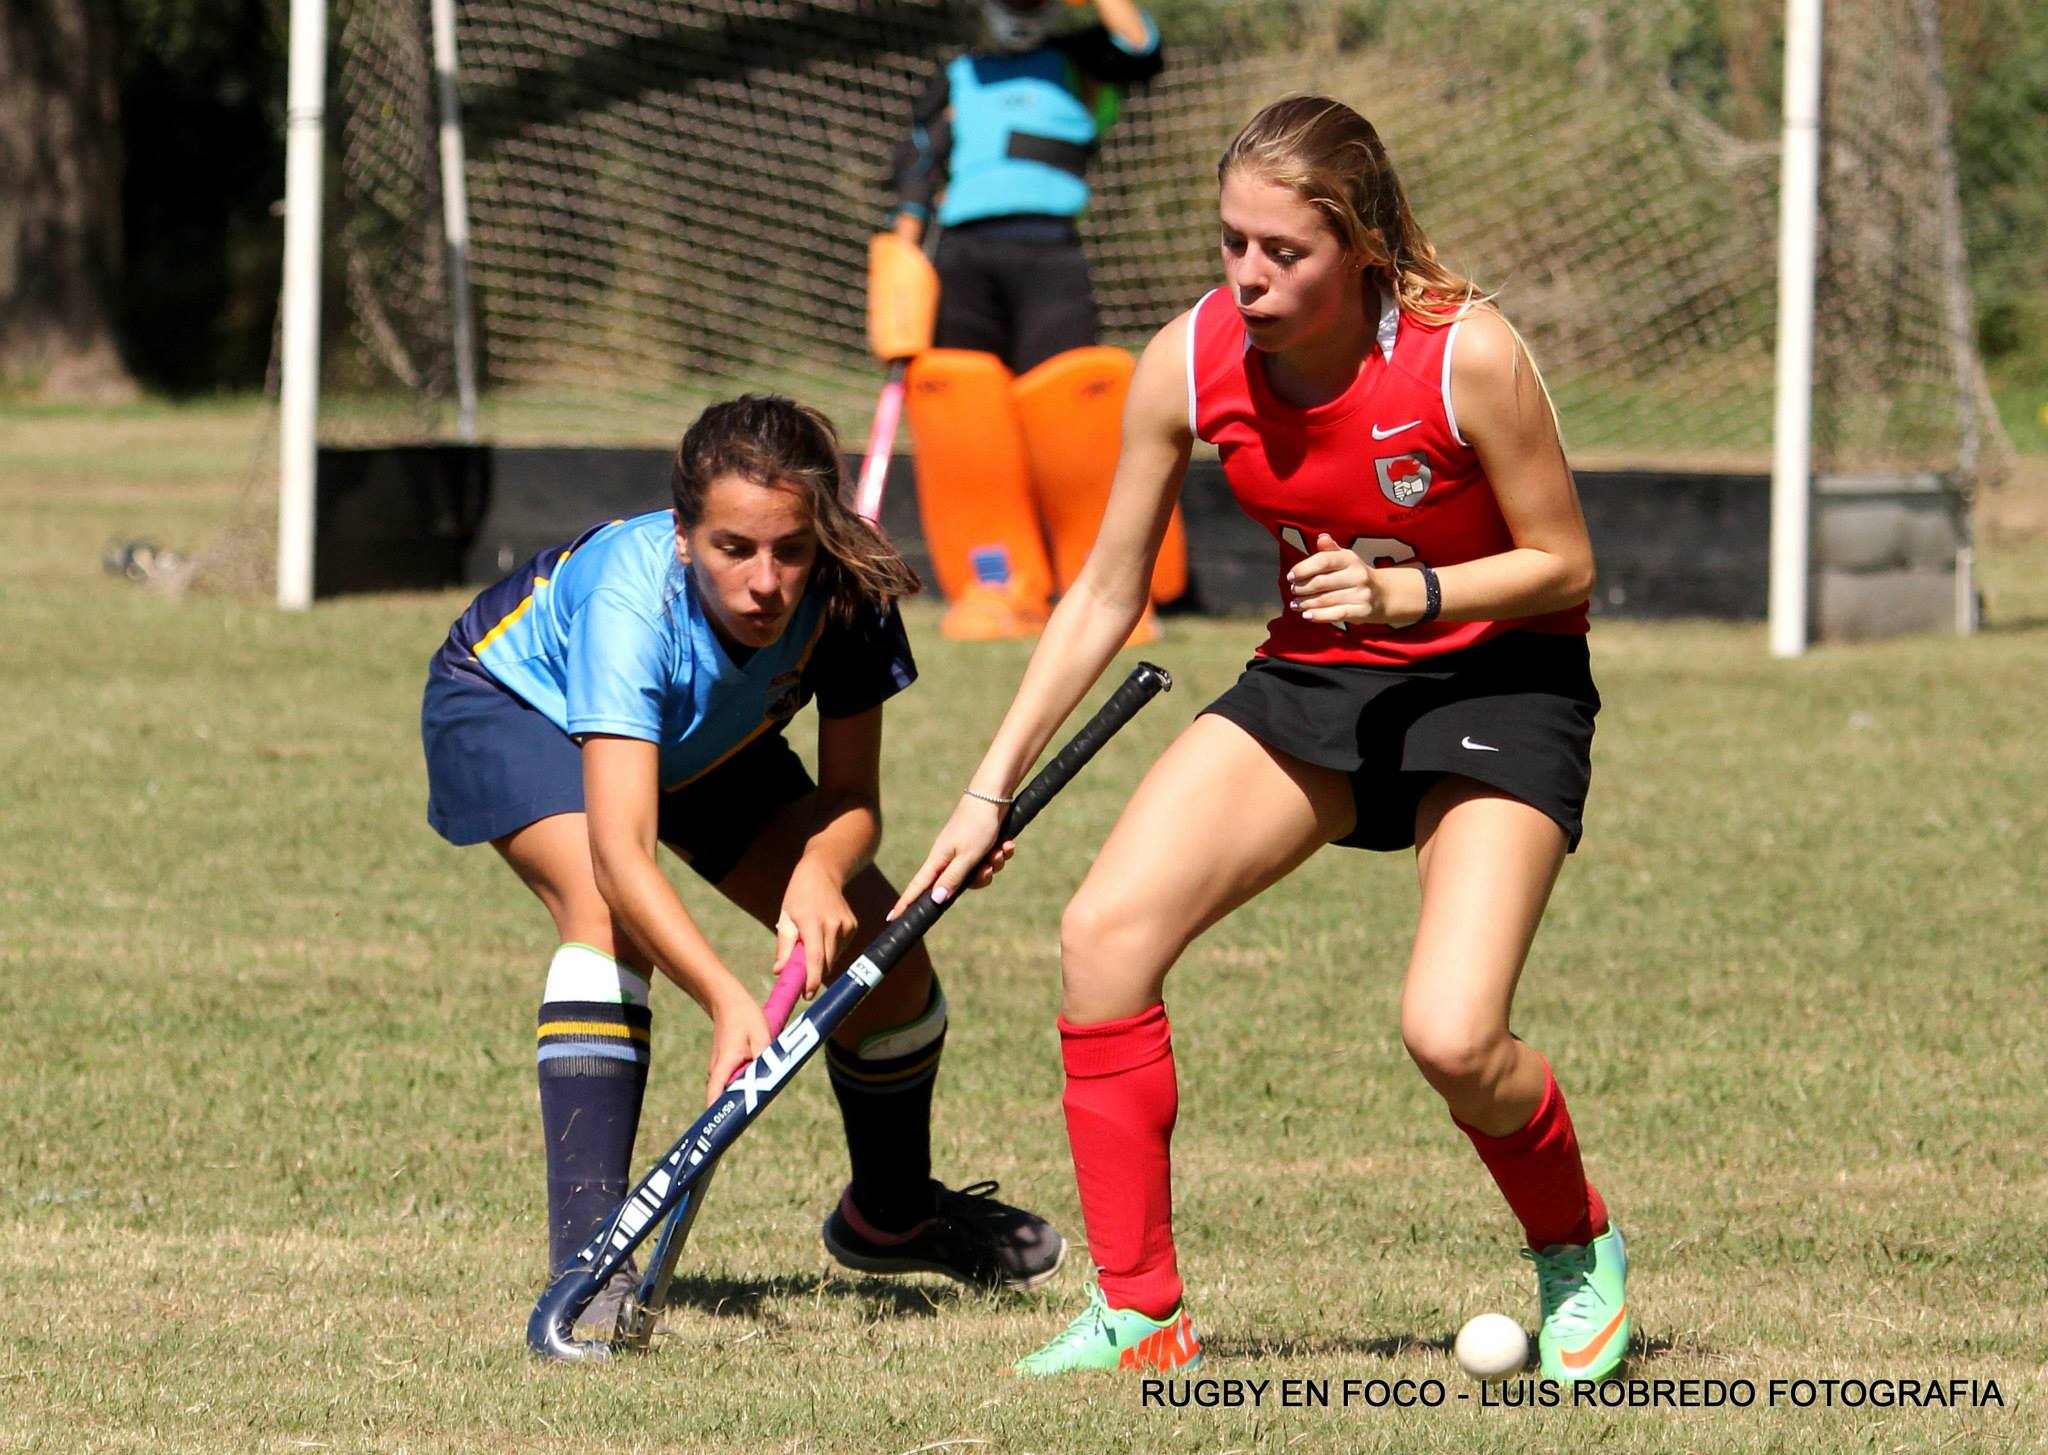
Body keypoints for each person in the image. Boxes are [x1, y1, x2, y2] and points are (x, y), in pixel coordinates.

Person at [892, 96, 1627, 1381]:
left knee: (1452, 1035)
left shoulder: (1469, 356)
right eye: (1229, 241)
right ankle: (1140, 1314)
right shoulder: (1183, 359)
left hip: (1497, 685)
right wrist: (983, 789)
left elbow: (1564, 561)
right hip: (1313, 682)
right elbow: (1107, 590)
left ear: (1358, 244)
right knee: (1102, 937)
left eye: (1278, 251)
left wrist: (1417, 594)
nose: (1245, 274)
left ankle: (1576, 1252)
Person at [420, 394, 1064, 1332]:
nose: (765, 582)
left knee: (890, 966)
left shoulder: (847, 594)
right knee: (606, 925)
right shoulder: (626, 601)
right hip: (520, 702)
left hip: (706, 739)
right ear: (683, 536)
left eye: (790, 550)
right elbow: (619, 853)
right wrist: (727, 998)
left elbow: (854, 800)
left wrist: (820, 869)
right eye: (733, 549)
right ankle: (591, 1263)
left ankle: (890, 1215)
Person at [884, 0, 1185, 640]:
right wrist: (899, 260)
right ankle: (996, 586)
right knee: (967, 418)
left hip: (1049, 255)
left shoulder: (1080, 61)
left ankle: (1103, 589)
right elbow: (917, 164)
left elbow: (1142, 50)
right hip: (961, 259)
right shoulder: (959, 74)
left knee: (1076, 418)